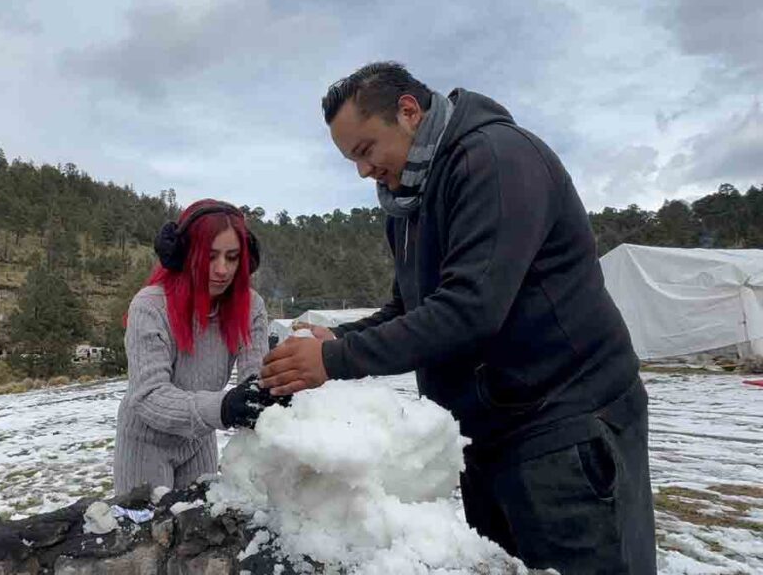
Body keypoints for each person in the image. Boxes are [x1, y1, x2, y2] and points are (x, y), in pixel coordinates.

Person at [260, 62, 655, 573]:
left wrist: (334, 358)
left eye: (365, 150)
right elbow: (409, 308)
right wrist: (337, 335)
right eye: (351, 159)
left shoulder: (496, 160)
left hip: (563, 426)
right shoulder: (408, 205)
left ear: (408, 112)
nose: (363, 170)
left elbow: (472, 308)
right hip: (485, 436)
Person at [114, 199, 276, 495]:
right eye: (210, 256)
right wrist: (224, 408)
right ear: (185, 254)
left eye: (232, 257)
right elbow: (149, 396)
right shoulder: (150, 306)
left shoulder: (251, 306)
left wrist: (270, 394)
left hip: (199, 438)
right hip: (146, 441)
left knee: (204, 527)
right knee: (145, 532)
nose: (222, 270)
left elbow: (256, 377)